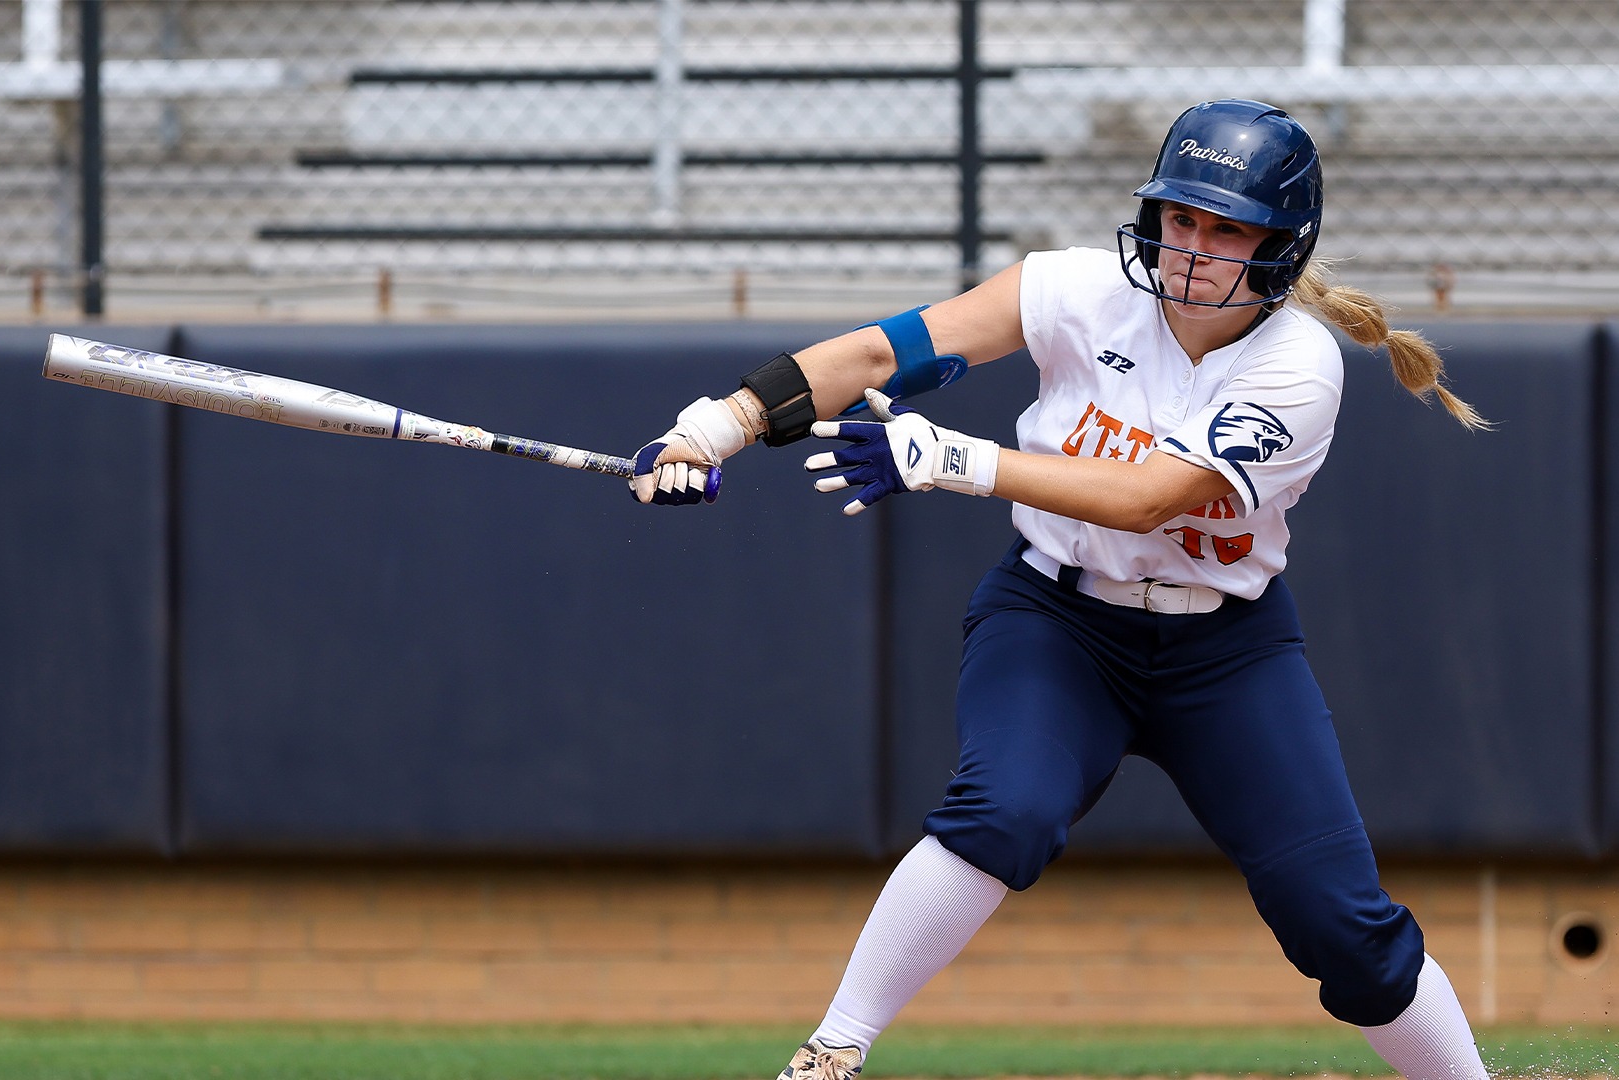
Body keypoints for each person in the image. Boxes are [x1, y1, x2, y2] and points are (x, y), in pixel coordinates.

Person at [629, 99, 1493, 1080]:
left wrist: (958, 459)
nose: (1194, 250)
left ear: (1282, 247)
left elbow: (1150, 499)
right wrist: (718, 423)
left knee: (1339, 925)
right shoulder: (1077, 288)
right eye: (1180, 219)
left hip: (1229, 653)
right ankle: (831, 1055)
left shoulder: (1297, 365)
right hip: (1058, 620)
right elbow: (884, 354)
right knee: (1005, 809)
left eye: (1227, 229)